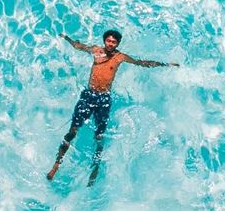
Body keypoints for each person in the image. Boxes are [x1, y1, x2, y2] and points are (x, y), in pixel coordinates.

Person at [47, 29, 178, 185]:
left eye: (114, 42)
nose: (110, 44)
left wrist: (165, 64)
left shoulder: (119, 57)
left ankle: (95, 167)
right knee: (72, 131)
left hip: (104, 99)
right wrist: (66, 37)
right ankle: (56, 164)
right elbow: (78, 46)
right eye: (108, 41)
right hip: (89, 95)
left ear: (117, 43)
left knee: (99, 136)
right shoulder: (96, 51)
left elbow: (141, 63)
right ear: (104, 41)